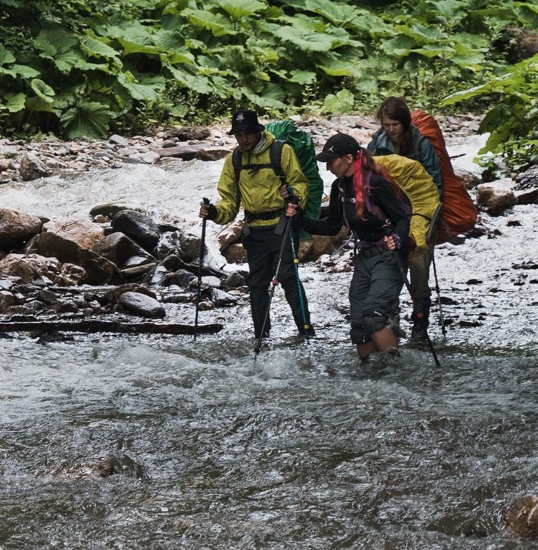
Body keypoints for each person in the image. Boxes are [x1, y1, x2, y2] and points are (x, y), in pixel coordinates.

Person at [297, 133, 418, 359]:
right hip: (364, 257)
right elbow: (333, 226)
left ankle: (398, 374)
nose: (328, 167)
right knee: (360, 322)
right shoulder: (339, 188)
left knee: (373, 314)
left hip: (388, 256)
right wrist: (300, 221)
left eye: (331, 161)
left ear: (349, 158)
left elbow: (402, 218)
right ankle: (367, 378)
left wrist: (398, 238)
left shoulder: (376, 184)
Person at [198, 110, 314, 342]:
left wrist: (292, 195)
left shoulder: (281, 151)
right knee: (257, 284)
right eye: (238, 135)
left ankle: (306, 331)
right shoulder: (235, 160)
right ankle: (261, 335)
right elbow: (230, 202)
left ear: (258, 131)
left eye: (247, 134)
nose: (243, 140)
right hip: (255, 230)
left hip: (282, 226)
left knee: (288, 278)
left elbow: (300, 185)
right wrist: (214, 213)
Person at [369, 96, 463, 342]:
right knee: (391, 266)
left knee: (419, 267)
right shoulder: (377, 143)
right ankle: (393, 321)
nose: (391, 130)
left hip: (421, 214)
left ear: (405, 123)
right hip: (391, 215)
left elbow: (435, 181)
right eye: (387, 125)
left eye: (395, 125)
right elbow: (369, 177)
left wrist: (428, 217)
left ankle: (420, 323)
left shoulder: (421, 145)